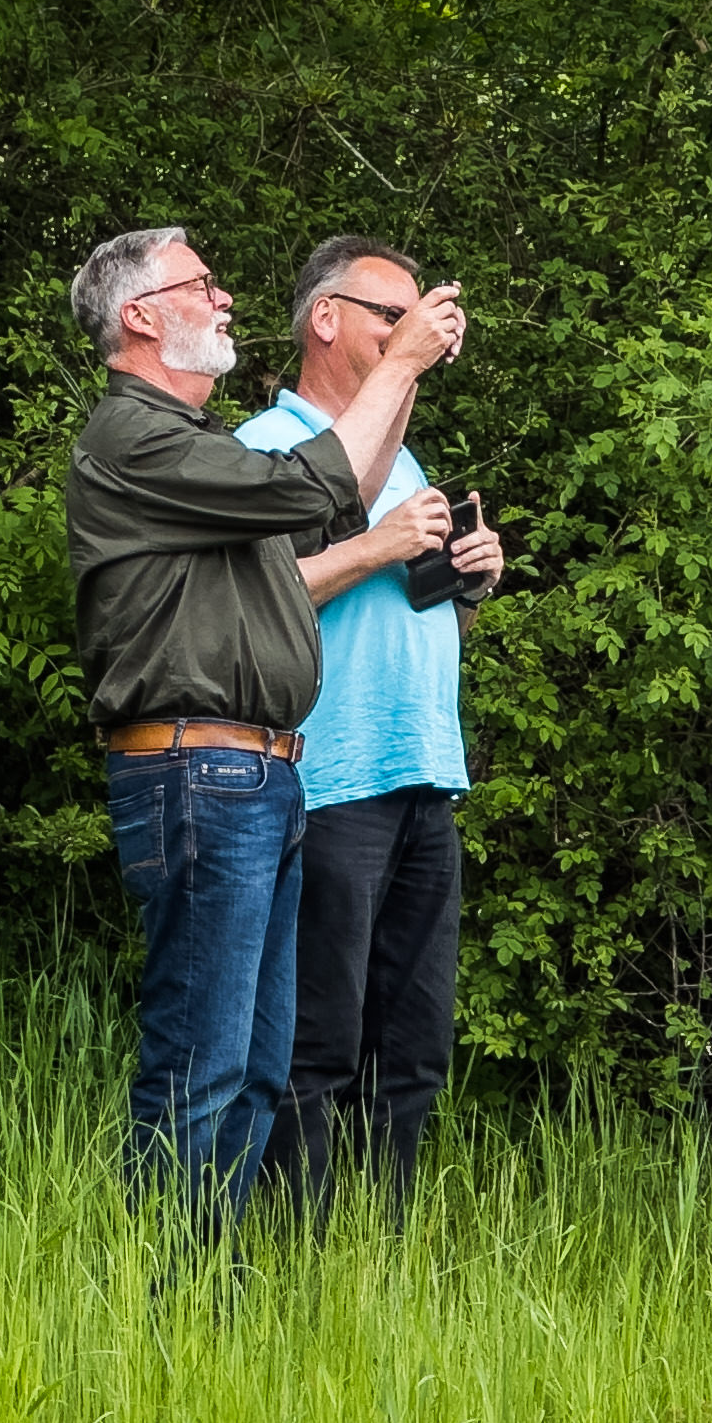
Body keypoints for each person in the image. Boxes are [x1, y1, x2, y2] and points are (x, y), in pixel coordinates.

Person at [64, 226, 466, 1243]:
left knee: (254, 1066)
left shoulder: (193, 441)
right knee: (202, 1065)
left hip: (258, 772)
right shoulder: (137, 437)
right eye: (201, 284)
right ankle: (167, 1294)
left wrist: (402, 375)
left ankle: (227, 1288)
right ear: (139, 316)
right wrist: (404, 360)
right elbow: (314, 492)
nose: (226, 298)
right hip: (197, 769)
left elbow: (334, 494)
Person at [238, 238, 506, 1232]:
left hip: (422, 772)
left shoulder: (406, 454)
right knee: (318, 1041)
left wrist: (468, 581)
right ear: (326, 318)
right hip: (328, 776)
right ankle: (297, 1260)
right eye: (390, 314)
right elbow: (251, 599)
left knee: (413, 1048)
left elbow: (417, 617)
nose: (409, 331)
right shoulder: (270, 444)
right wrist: (378, 544)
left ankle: (374, 1262)